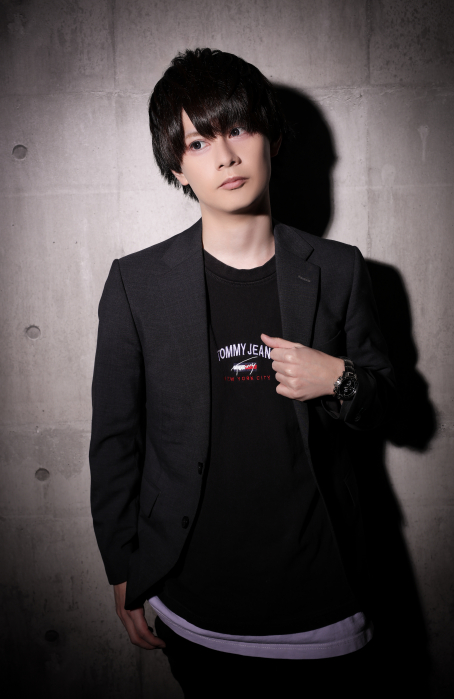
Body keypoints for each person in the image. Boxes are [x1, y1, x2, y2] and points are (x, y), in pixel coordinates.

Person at [89, 48, 395, 698]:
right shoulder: (136, 284)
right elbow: (115, 440)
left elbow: (392, 403)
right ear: (177, 167)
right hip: (194, 600)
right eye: (199, 142)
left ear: (272, 139)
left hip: (323, 595)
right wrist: (122, 564)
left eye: (238, 128)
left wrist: (339, 378)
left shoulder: (339, 269)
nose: (225, 156)